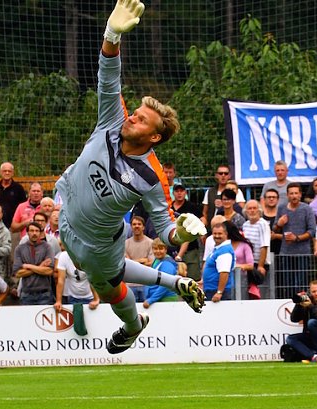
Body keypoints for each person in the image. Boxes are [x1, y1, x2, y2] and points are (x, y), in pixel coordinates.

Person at [55, 0, 206, 353]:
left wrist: (182, 232)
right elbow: (108, 75)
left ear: (154, 137)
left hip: (98, 245)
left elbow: (166, 230)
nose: (132, 118)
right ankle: (174, 281)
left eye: (141, 120)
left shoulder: (152, 176)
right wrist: (112, 34)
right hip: (65, 219)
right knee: (115, 272)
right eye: (135, 112)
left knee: (110, 288)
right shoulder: (112, 119)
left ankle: (134, 324)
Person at [272, 182, 316, 299]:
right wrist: (279, 224)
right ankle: (288, 303)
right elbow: (274, 228)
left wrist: (296, 238)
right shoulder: (281, 208)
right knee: (287, 283)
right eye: (291, 193)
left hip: (303, 252)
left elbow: (312, 231)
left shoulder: (307, 209)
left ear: (300, 194)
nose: (294, 196)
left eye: (296, 193)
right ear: (287, 195)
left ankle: (302, 304)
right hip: (286, 252)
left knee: (301, 283)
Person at [12, 221, 54, 305]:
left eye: (37, 231)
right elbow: (18, 273)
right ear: (27, 232)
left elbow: (49, 271)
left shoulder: (47, 247)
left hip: (44, 294)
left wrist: (28, 266)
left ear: (40, 233)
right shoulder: (19, 249)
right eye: (31, 231)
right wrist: (41, 266)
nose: (34, 233)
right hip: (26, 294)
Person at [170, 183, 203, 280]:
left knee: (193, 278)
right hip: (171, 248)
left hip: (190, 250)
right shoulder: (169, 207)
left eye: (181, 191)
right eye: (177, 191)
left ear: (185, 192)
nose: (179, 193)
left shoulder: (191, 206)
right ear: (173, 193)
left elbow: (203, 219)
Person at [54, 245, 101, 312]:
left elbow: (92, 279)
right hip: (72, 297)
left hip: (91, 297)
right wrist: (58, 301)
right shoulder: (63, 256)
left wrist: (96, 299)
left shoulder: (88, 256)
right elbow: (61, 280)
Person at [241, 199, 270, 298]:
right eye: (250, 208)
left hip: (259, 262)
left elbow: (264, 245)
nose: (252, 211)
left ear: (259, 210)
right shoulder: (245, 225)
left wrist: (260, 266)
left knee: (258, 290)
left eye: (254, 208)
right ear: (246, 211)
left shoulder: (263, 224)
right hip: (249, 262)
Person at [201, 222, 235, 302]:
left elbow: (224, 273)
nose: (217, 236)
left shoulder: (225, 251)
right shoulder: (217, 249)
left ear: (226, 234)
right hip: (211, 290)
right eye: (215, 233)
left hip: (218, 292)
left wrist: (219, 292)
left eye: (220, 233)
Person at [141, 238, 179, 308]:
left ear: (166, 249)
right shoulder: (156, 260)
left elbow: (165, 285)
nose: (158, 251)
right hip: (156, 299)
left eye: (161, 249)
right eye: (155, 249)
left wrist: (151, 300)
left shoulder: (167, 264)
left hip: (166, 300)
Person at [125, 215, 154, 301]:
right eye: (134, 224)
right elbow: (126, 264)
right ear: (131, 227)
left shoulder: (150, 243)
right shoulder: (125, 244)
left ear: (143, 227)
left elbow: (151, 263)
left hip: (146, 284)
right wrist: (142, 260)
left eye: (139, 224)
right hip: (130, 285)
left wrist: (132, 262)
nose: (136, 226)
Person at [0, 162, 27, 228]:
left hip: (14, 226)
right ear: (0, 172)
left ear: (13, 173)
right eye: (4, 171)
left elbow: (23, 206)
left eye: (9, 171)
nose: (7, 173)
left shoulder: (18, 188)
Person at [260, 188, 282, 257]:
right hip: (262, 253)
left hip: (280, 253)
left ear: (278, 200)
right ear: (264, 200)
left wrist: (276, 236)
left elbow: (289, 236)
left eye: (274, 197)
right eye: (269, 197)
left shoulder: (282, 216)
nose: (271, 199)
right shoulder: (259, 216)